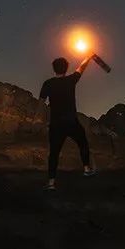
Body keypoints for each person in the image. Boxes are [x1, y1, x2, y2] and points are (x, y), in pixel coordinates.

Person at [39, 55, 95, 189]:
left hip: (56, 124)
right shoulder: (71, 80)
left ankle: (51, 183)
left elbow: (41, 103)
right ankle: (86, 169)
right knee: (83, 143)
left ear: (54, 69)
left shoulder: (48, 83)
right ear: (66, 68)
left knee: (54, 153)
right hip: (71, 122)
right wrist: (88, 57)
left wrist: (38, 119)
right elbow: (81, 68)